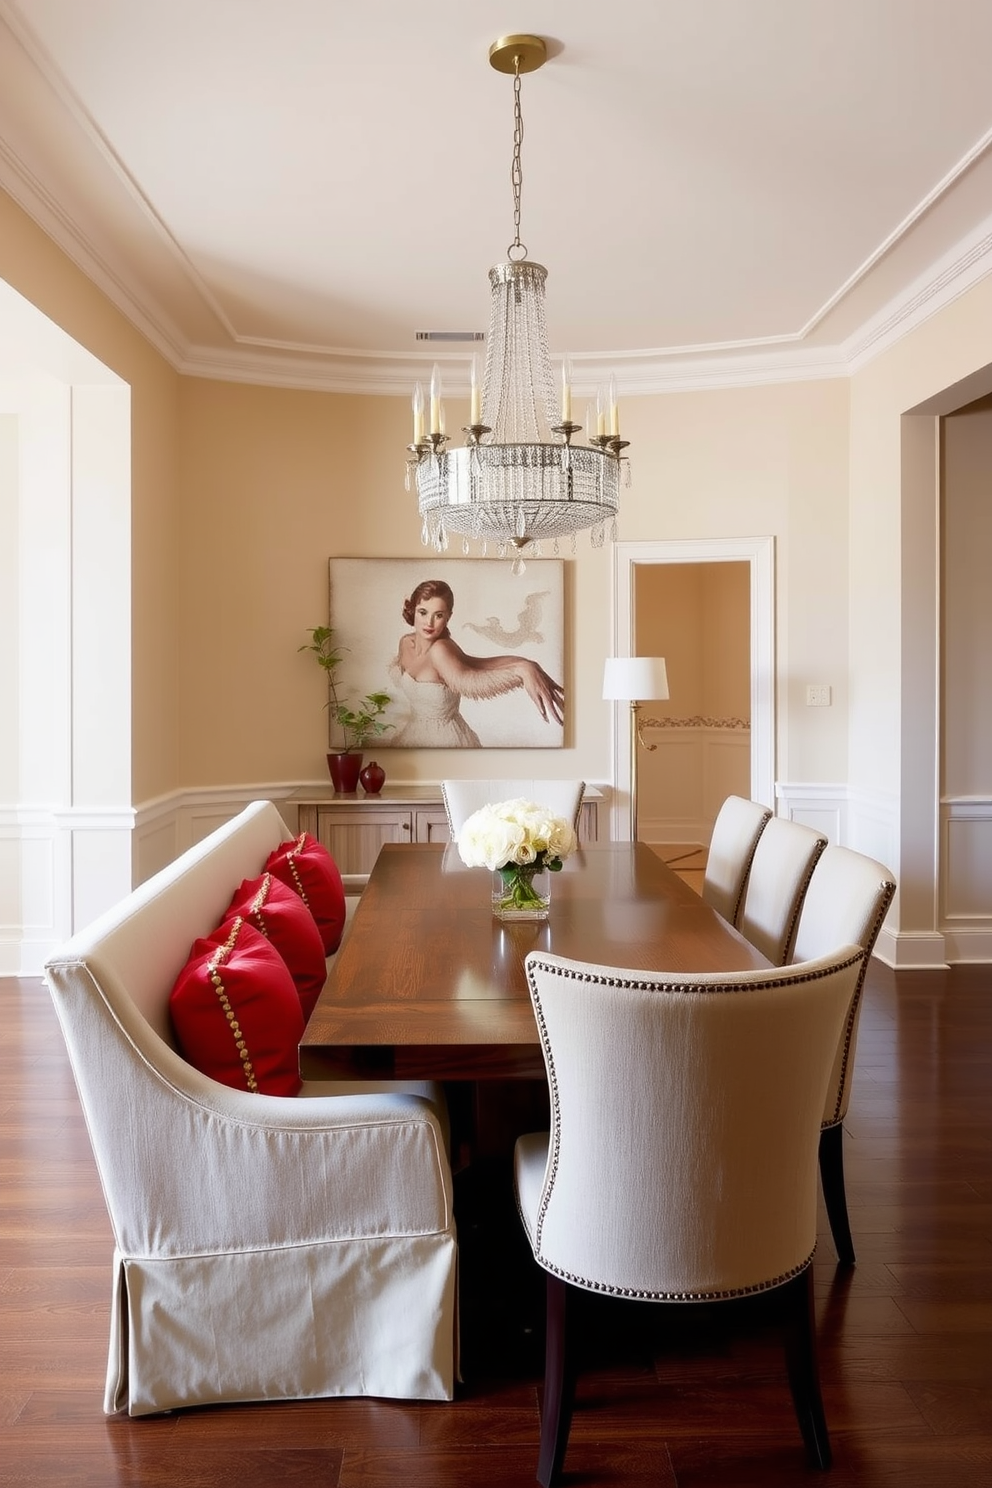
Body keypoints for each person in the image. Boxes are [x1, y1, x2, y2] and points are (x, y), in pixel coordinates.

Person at [390, 579, 565, 748]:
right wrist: (523, 664)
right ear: (412, 610)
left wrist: (522, 669)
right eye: (423, 612)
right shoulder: (406, 643)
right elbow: (475, 664)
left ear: (448, 617)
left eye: (439, 615)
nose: (429, 622)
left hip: (444, 739)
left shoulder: (441, 650)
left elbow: (474, 681)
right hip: (413, 735)